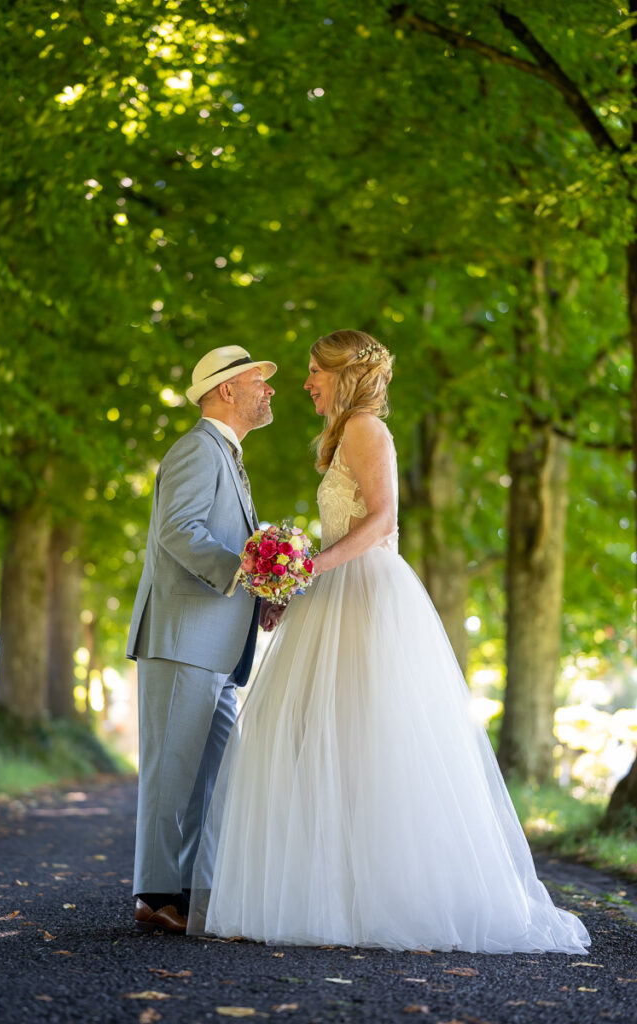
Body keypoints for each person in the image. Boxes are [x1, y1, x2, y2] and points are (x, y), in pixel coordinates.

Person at [189, 329, 590, 953]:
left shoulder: (365, 430)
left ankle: (379, 897)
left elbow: (383, 521)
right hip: (335, 592)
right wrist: (295, 581)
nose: (305, 382)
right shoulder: (344, 435)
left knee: (361, 738)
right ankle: (336, 894)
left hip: (365, 595)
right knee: (322, 741)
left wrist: (305, 569)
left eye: (314, 371)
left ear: (343, 374)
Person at [126, 344, 276, 933]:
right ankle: (155, 896)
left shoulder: (229, 456)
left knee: (210, 779)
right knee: (172, 772)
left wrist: (261, 590)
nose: (268, 390)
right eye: (257, 381)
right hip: (182, 638)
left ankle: (189, 893)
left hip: (216, 646)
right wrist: (247, 571)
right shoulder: (196, 448)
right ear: (225, 390)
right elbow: (178, 531)